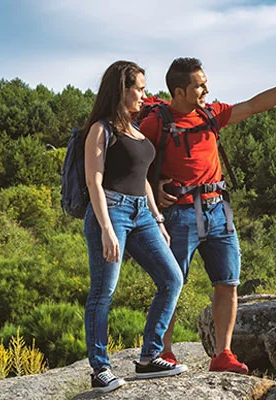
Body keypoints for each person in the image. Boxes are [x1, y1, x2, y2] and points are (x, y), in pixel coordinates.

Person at [140, 57, 276, 374]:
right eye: (200, 85)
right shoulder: (156, 123)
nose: (206, 90)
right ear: (179, 91)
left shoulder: (211, 114)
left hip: (218, 210)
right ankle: (164, 353)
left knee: (228, 282)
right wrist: (153, 187)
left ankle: (222, 354)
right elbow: (132, 162)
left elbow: (254, 106)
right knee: (170, 285)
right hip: (178, 214)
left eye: (205, 83)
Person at [83, 60, 187, 393]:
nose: (144, 94)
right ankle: (100, 368)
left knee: (172, 279)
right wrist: (106, 228)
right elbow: (94, 181)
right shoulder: (101, 129)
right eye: (139, 89)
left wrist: (157, 219)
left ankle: (149, 358)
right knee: (103, 291)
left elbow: (141, 179)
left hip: (142, 214)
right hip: (111, 211)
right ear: (121, 90)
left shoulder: (135, 128)